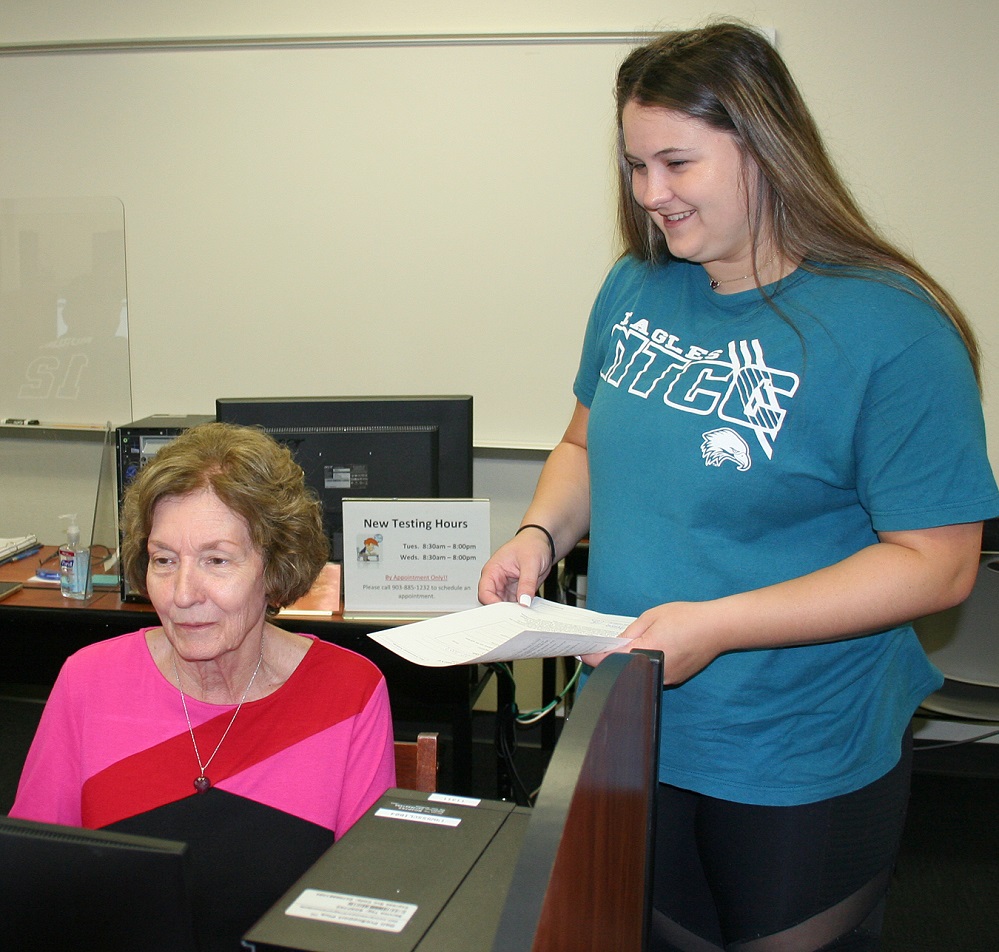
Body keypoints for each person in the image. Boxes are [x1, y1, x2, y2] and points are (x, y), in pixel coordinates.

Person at [479, 22, 999, 952]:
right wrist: (538, 538)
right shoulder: (636, 287)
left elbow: (939, 563)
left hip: (794, 743)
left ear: (763, 146)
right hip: (637, 721)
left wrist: (717, 625)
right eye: (636, 167)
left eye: (676, 163)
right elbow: (581, 446)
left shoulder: (892, 328)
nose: (651, 195)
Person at [10, 421, 395, 946]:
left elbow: (365, 909)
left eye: (216, 561)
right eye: (164, 561)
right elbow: (32, 884)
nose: (182, 593)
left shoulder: (348, 693)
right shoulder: (89, 680)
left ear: (275, 568)